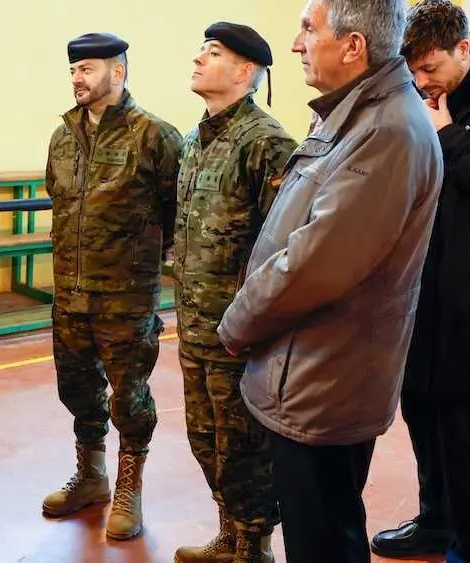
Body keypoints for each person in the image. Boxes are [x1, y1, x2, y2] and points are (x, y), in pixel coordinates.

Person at [215, 0, 443, 561]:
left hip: (326, 379)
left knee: (323, 539)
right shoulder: (357, 115)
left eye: (307, 29)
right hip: (308, 367)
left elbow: (316, 264)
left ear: (353, 47)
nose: (296, 44)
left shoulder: (386, 130)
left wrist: (237, 322)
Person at [371, 2, 470, 561]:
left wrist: (448, 134)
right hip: (416, 289)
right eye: (412, 69)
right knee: (420, 415)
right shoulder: (414, 89)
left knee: (462, 429)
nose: (420, 81)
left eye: (432, 68)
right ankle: (435, 520)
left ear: (467, 44)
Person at [40, 31, 183, 541]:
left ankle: (129, 487)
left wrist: (147, 264)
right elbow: (60, 201)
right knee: (77, 389)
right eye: (74, 70)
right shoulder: (61, 135)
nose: (78, 78)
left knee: (129, 397)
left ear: (117, 73)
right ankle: (92, 475)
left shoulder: (156, 136)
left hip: (125, 297)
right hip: (70, 293)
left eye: (88, 69)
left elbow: (176, 212)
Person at [171, 22, 297, 563]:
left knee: (245, 449)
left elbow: (286, 247)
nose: (198, 58)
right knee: (209, 445)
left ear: (245, 72)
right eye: (201, 49)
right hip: (195, 328)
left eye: (213, 52)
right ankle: (231, 533)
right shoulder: (198, 138)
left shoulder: (266, 143)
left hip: (239, 336)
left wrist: (255, 326)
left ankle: (254, 547)